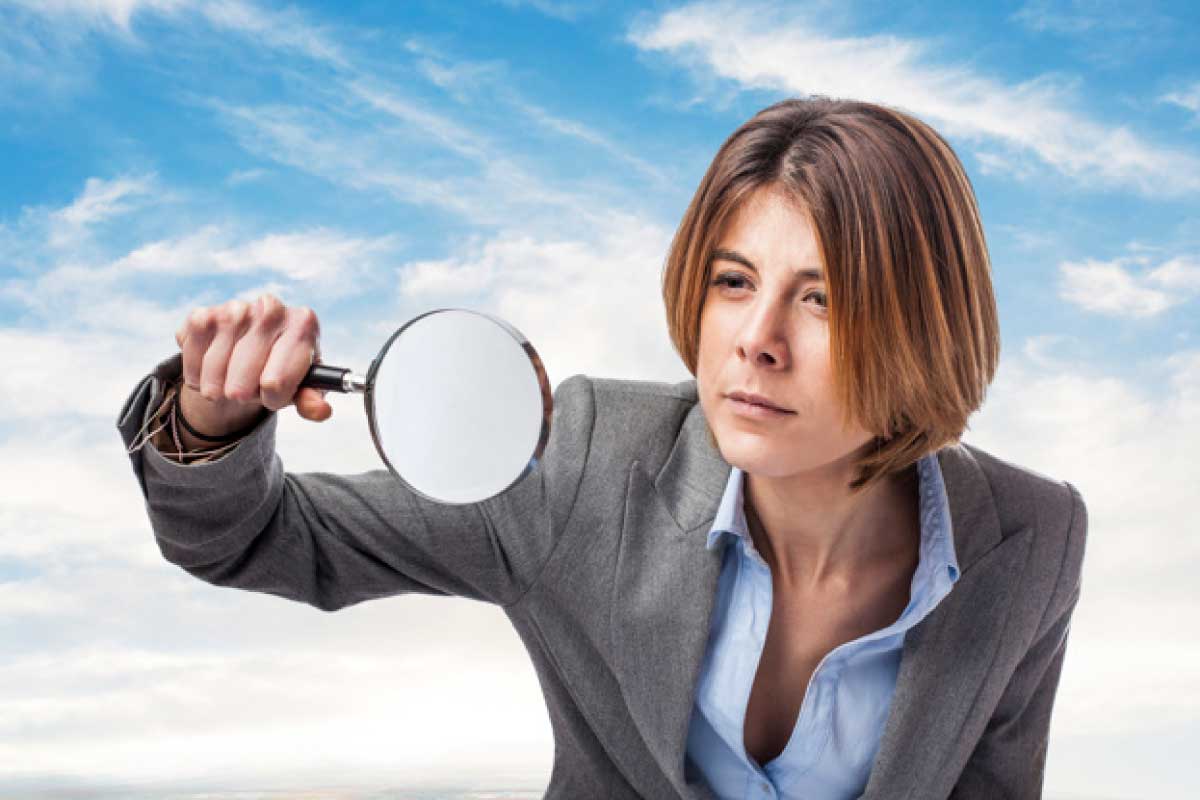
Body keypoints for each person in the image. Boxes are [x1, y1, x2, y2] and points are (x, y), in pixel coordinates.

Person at [118, 96, 1088, 799]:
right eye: (735, 281)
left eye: (823, 295)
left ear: (925, 322)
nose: (759, 338)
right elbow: (257, 537)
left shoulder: (1033, 539)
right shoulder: (581, 467)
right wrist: (216, 421)